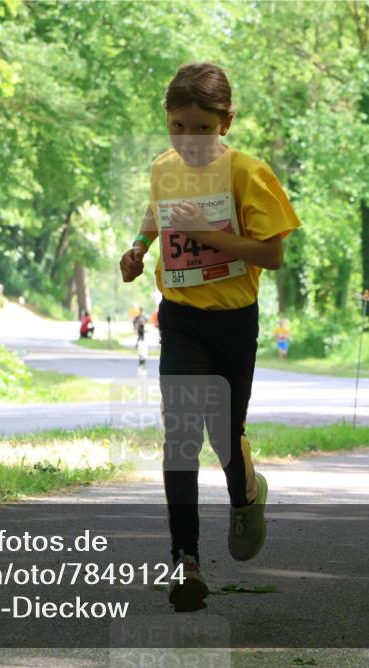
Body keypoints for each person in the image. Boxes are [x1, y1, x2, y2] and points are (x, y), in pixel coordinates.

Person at [118, 62, 299, 612]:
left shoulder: (247, 172)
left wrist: (208, 236)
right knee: (180, 435)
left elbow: (272, 254)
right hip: (180, 317)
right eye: (178, 127)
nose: (189, 140)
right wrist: (139, 249)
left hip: (233, 321)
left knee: (225, 435)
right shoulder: (163, 169)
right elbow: (158, 213)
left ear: (226, 122)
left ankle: (247, 493)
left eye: (201, 128)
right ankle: (184, 561)